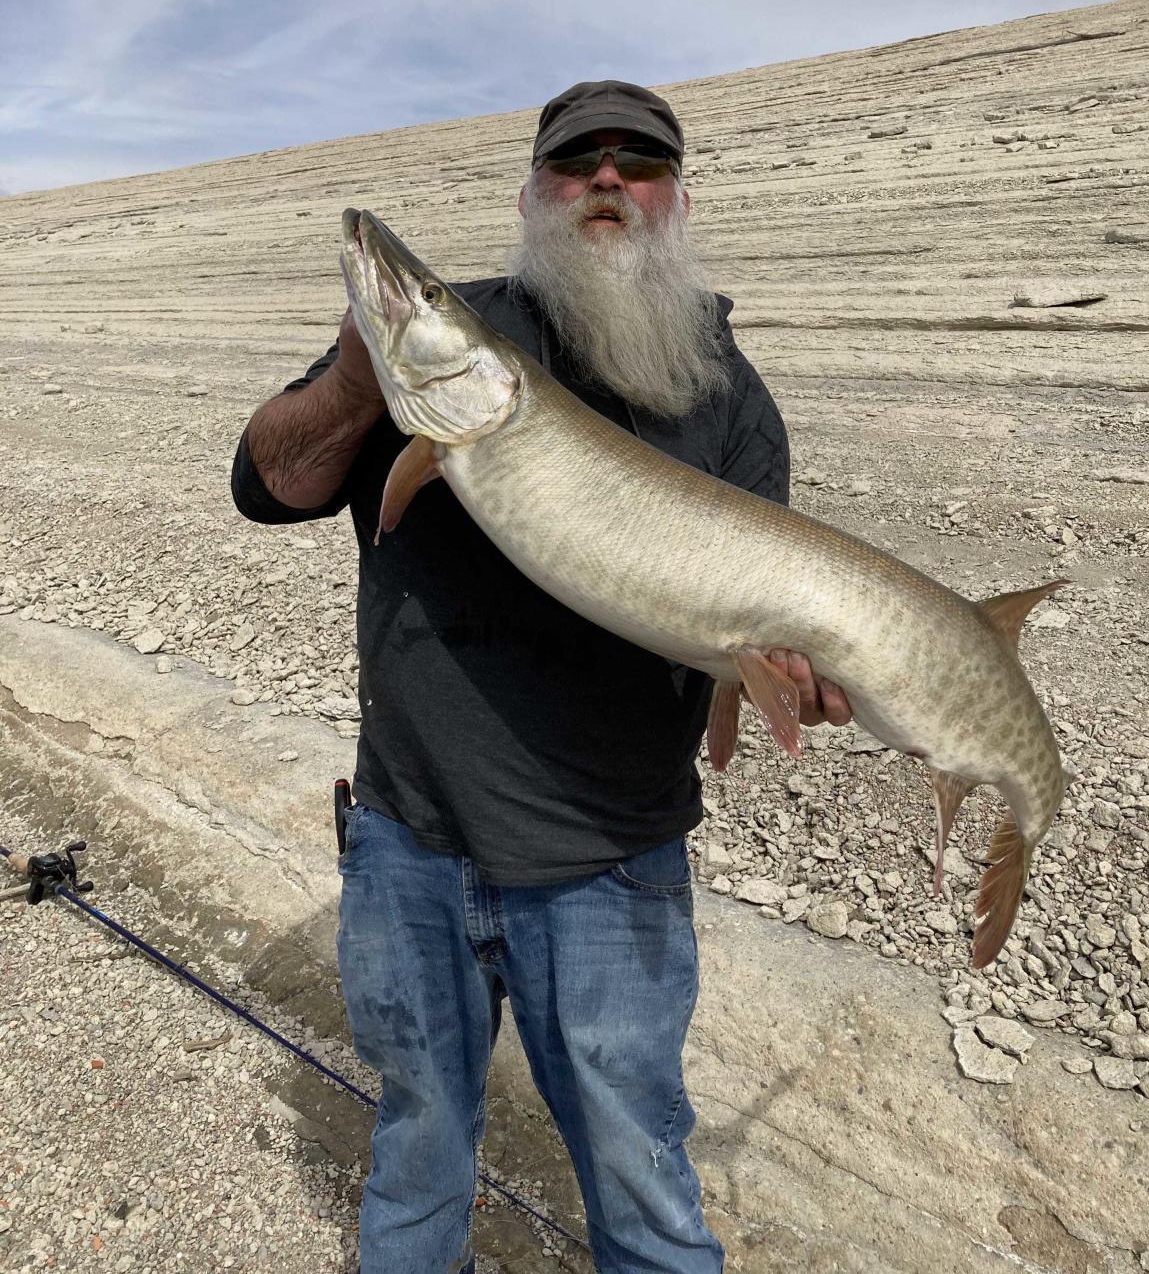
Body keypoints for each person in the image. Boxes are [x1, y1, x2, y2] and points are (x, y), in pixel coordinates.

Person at [230, 80, 853, 1273]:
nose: (607, 180)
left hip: (612, 863)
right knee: (417, 1157)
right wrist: (364, 378)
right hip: (410, 840)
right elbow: (270, 484)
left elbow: (752, 628)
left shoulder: (731, 395)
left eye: (639, 162)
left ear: (676, 196)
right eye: (577, 161)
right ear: (534, 192)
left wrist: (793, 673)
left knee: (643, 1182)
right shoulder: (446, 332)